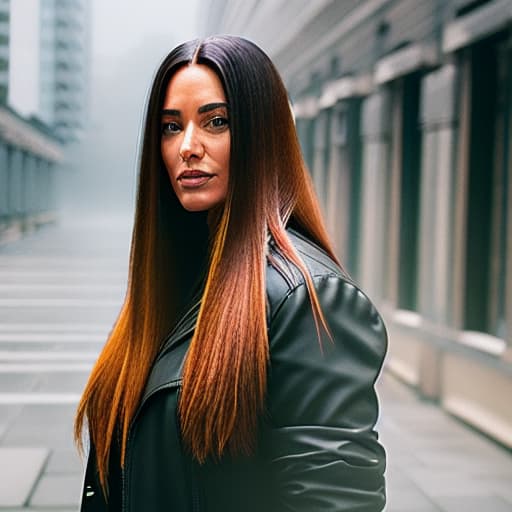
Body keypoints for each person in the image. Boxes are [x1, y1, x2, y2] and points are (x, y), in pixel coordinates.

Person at [75, 34, 387, 512]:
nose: (188, 148)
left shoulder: (308, 300)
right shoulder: (178, 278)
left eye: (216, 122)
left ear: (262, 136)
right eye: (170, 127)